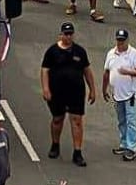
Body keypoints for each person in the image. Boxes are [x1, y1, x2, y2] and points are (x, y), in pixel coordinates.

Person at [41, 22, 96, 165]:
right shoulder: (52, 51)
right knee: (57, 119)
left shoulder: (80, 52)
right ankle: (55, 144)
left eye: (71, 34)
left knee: (77, 120)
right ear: (61, 35)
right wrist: (46, 89)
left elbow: (87, 71)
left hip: (76, 92)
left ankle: (77, 152)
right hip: (57, 92)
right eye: (66, 34)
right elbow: (45, 70)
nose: (68, 37)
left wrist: (92, 90)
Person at [102, 28, 136, 160]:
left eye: (122, 40)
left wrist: (128, 72)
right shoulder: (111, 54)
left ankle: (131, 148)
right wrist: (104, 89)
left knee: (132, 121)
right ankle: (124, 143)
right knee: (121, 120)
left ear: (127, 40)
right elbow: (107, 73)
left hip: (131, 94)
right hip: (118, 93)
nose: (120, 43)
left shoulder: (134, 54)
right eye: (118, 40)